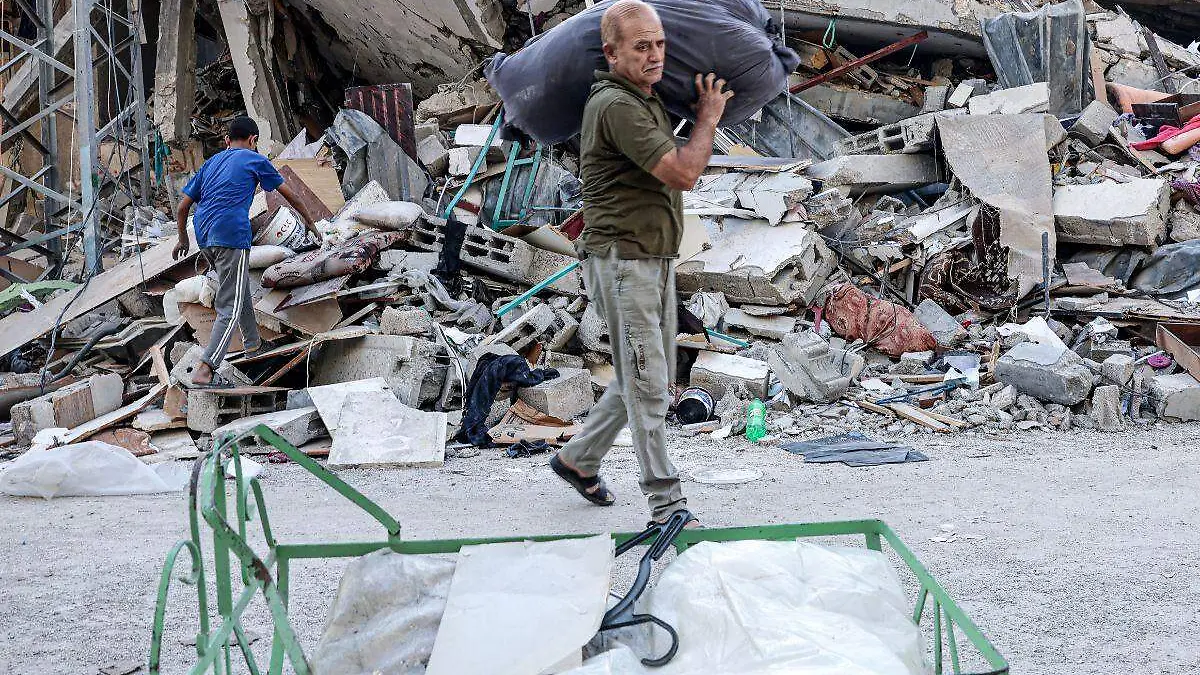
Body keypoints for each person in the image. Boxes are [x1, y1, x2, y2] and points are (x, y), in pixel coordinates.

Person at [549, 0, 733, 526]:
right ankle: (666, 504)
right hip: (623, 261)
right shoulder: (617, 106)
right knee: (650, 385)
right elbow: (683, 173)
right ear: (612, 54)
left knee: (642, 374)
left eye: (660, 44)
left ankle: (578, 458)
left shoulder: (643, 98)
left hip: (651, 258)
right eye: (641, 47)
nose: (655, 56)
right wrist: (708, 118)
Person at [172, 116, 321, 387]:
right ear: (253, 140)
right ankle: (206, 369)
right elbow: (291, 194)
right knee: (230, 306)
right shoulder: (255, 160)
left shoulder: (211, 163)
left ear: (227, 140)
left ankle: (253, 344)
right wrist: (310, 223)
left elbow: (183, 207)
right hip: (231, 235)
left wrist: (182, 240)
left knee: (237, 290)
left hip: (204, 237)